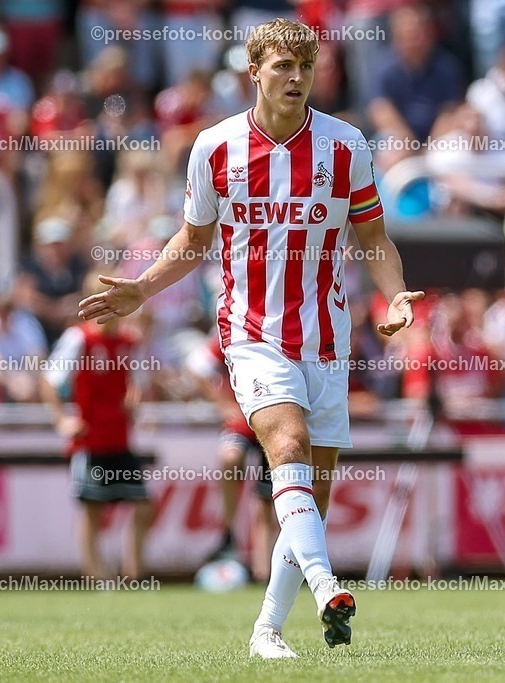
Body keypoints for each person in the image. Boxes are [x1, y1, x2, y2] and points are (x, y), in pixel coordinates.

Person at [78, 19, 424, 658]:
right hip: (252, 334)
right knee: (285, 443)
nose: (295, 77)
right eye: (282, 66)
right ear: (254, 71)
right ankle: (327, 588)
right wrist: (142, 288)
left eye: (304, 67)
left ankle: (266, 629)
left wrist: (394, 294)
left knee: (312, 496)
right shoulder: (215, 147)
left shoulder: (345, 146)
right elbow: (193, 241)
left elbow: (374, 240)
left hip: (327, 337)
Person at [43, 274, 152, 581]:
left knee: (142, 506)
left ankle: (134, 575)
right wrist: (62, 419)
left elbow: (138, 383)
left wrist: (135, 399)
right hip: (90, 440)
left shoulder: (129, 342)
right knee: (92, 510)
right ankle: (98, 579)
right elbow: (50, 382)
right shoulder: (79, 339)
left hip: (120, 437)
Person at [186, 337, 277, 582]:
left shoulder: (277, 334)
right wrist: (222, 404)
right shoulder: (232, 335)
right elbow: (195, 366)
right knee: (229, 458)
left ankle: (263, 574)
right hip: (241, 425)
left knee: (266, 502)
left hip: (273, 424)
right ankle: (228, 531)